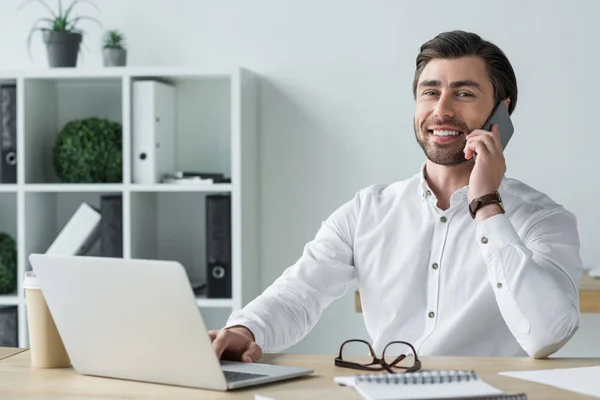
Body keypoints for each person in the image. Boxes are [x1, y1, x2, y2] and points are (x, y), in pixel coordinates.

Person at [209, 30, 583, 362]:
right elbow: (298, 295)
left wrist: (486, 203)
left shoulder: (543, 220)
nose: (441, 110)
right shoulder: (367, 211)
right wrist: (247, 331)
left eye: (464, 93)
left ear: (503, 110)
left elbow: (546, 334)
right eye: (430, 92)